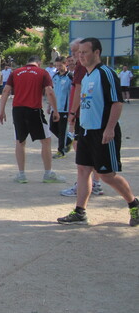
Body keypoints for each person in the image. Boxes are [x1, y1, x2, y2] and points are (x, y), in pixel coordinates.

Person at [57, 37, 138, 226]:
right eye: (79, 53)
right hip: (85, 131)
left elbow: (117, 102)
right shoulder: (86, 75)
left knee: (107, 175)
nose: (80, 56)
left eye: (84, 52)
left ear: (97, 53)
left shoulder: (106, 73)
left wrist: (109, 128)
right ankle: (80, 212)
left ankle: (134, 204)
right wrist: (74, 119)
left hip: (102, 132)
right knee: (83, 170)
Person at [0, 55, 65, 184]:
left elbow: (6, 90)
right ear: (38, 63)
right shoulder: (42, 72)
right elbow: (49, 91)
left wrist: (1, 111)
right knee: (46, 141)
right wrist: (55, 110)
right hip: (34, 110)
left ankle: (21, 174)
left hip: (18, 110)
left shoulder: (16, 72)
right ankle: (48, 173)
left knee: (20, 141)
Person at [60, 39, 103, 197]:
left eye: (77, 51)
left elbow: (78, 90)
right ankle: (95, 183)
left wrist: (72, 113)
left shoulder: (81, 67)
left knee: (82, 153)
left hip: (81, 115)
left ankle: (86, 184)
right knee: (90, 151)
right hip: (85, 114)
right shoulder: (89, 68)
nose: (74, 55)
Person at [48, 57, 72, 159]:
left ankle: (61, 151)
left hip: (64, 108)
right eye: (56, 66)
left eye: (60, 65)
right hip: (55, 108)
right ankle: (69, 140)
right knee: (52, 127)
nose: (58, 68)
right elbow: (52, 92)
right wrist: (50, 105)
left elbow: (73, 93)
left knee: (62, 130)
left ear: (65, 64)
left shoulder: (70, 77)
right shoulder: (55, 77)